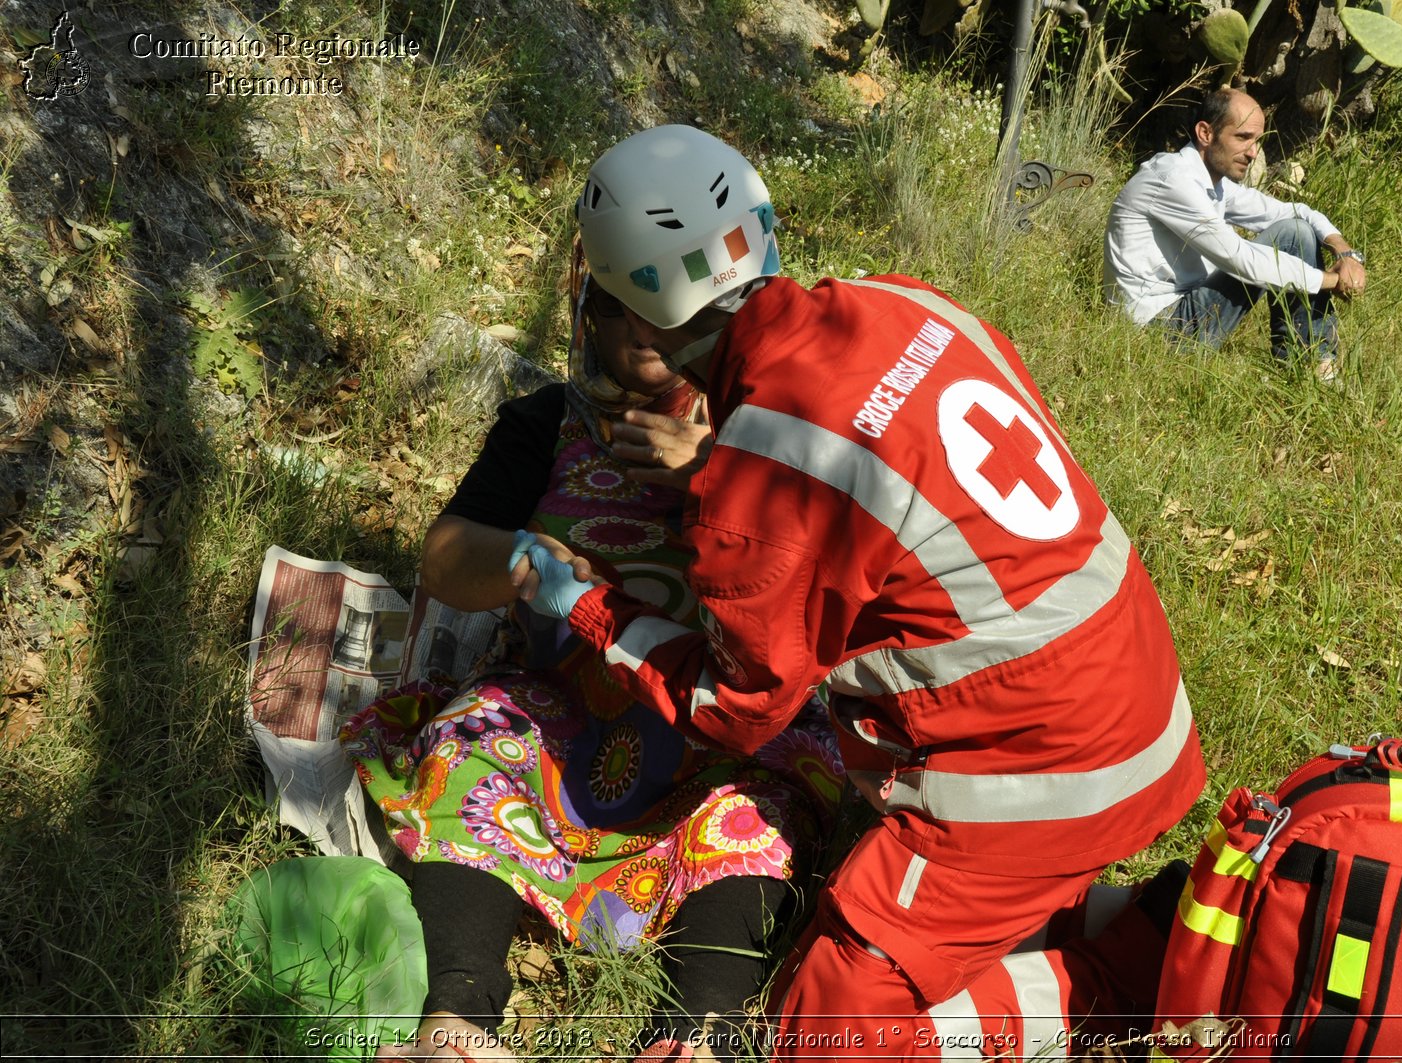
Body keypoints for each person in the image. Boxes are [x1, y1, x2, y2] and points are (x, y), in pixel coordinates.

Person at [519, 124, 1206, 1060]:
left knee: (831, 1030)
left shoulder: (760, 476)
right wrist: (727, 471)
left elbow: (735, 711)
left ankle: (1136, 970)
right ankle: (1126, 910)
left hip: (1039, 768)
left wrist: (593, 608)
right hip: (1139, 697)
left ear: (640, 312)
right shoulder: (903, 304)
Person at [344, 243, 843, 1063]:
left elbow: (826, 557)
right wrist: (518, 561)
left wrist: (716, 475)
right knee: (467, 746)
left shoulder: (761, 421)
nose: (646, 326)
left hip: (713, 719)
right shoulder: (546, 422)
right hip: (559, 714)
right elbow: (445, 555)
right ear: (587, 310)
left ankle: (694, 1037)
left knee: (764, 810)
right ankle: (458, 1020)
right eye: (619, 303)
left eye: (672, 306)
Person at [1103, 87, 1368, 383]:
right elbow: (1241, 260)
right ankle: (1315, 364)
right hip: (1158, 330)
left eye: (1257, 140)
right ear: (1205, 133)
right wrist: (1331, 281)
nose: (1253, 152)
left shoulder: (1212, 182)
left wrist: (1343, 252)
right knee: (1286, 239)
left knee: (1296, 228)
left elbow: (1296, 211)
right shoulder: (1172, 180)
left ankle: (1309, 361)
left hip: (1189, 307)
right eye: (1242, 138)